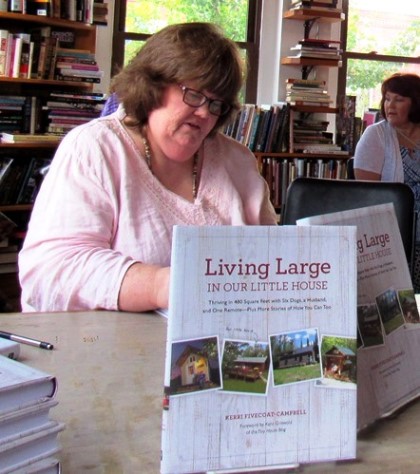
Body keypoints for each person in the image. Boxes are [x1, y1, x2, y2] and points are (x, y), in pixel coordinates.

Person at [19, 22, 278, 313]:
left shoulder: (237, 162)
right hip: (104, 348)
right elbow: (50, 271)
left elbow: (273, 259)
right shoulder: (94, 148)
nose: (206, 112)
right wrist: (160, 286)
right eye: (194, 94)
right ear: (152, 86)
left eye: (217, 103)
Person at [353, 72, 420, 290]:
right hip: (392, 234)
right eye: (387, 98)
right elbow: (368, 198)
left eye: (399, 99)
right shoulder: (376, 136)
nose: (390, 105)